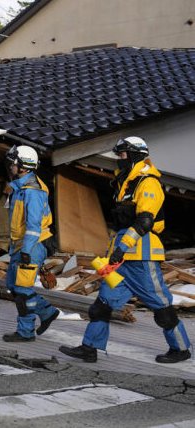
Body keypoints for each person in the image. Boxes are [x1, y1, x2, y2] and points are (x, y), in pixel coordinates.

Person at [60, 137, 191, 363]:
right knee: (101, 305)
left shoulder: (148, 183)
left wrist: (122, 247)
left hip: (142, 257)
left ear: (134, 156)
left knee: (162, 307)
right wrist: (115, 251)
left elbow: (144, 222)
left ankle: (181, 349)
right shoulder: (126, 184)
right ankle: (89, 348)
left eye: (122, 155)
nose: (119, 160)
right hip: (121, 259)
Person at [2, 145, 60, 342]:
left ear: (23, 167)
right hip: (22, 245)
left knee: (22, 289)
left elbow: (34, 225)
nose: (10, 167)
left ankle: (26, 332)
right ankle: (46, 312)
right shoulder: (20, 187)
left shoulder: (32, 191)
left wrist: (27, 251)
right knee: (13, 286)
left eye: (13, 164)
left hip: (32, 245)